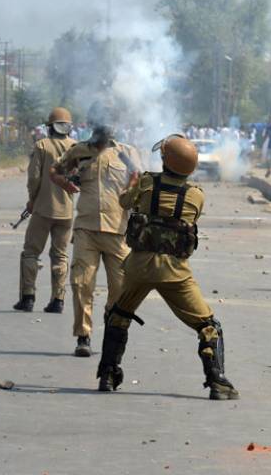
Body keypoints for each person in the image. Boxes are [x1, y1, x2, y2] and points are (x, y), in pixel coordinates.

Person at [96, 134, 239, 400]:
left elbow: (125, 203)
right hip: (175, 272)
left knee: (118, 315)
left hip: (139, 266)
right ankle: (217, 381)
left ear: (165, 160)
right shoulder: (196, 195)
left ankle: (107, 373)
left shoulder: (147, 182)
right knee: (208, 325)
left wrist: (135, 183)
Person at [50, 124, 135, 357]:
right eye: (95, 143)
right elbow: (54, 171)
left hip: (118, 230)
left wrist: (131, 189)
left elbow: (139, 177)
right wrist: (65, 183)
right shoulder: (79, 151)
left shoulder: (125, 153)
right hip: (86, 228)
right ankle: (83, 335)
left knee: (121, 287)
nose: (98, 147)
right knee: (81, 283)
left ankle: (112, 326)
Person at [13, 108, 77, 313]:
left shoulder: (42, 145)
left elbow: (34, 178)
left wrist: (32, 200)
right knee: (60, 256)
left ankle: (28, 297)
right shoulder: (76, 148)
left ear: (50, 127)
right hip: (66, 211)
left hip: (42, 208)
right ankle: (58, 300)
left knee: (31, 252)